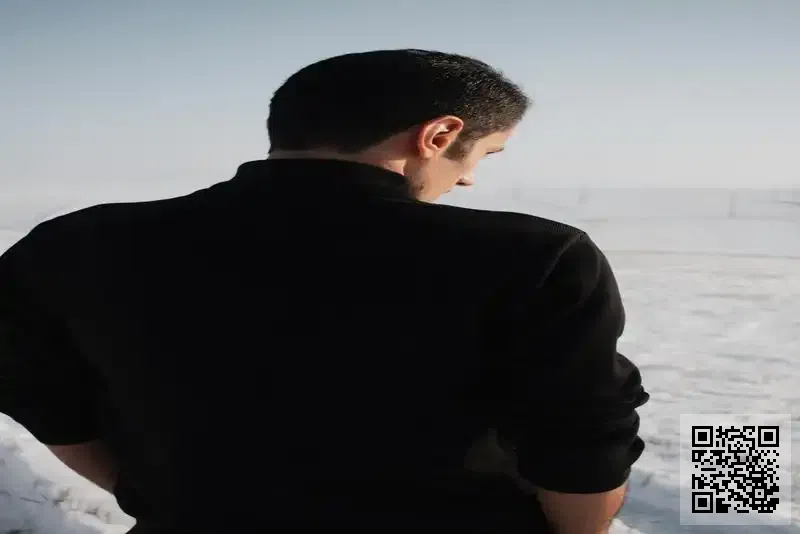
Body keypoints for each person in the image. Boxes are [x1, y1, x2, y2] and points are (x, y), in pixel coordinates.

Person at [0, 49, 649, 533]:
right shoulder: (534, 256)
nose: (469, 180)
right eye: (485, 154)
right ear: (439, 135)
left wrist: (163, 499)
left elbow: (36, 393)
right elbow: (581, 445)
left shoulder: (75, 245)